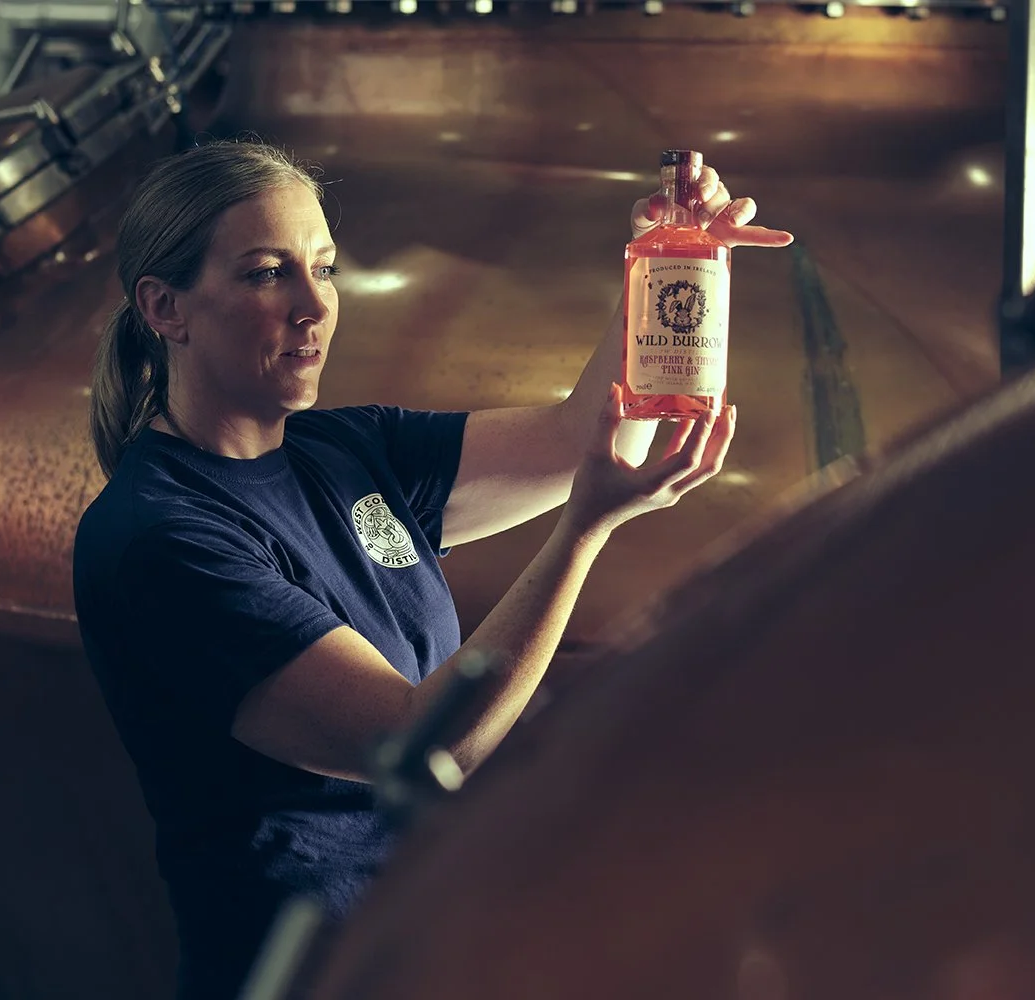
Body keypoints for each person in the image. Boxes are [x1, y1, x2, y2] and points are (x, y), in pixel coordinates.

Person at [71, 139, 793, 1000]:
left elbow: (577, 442)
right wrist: (585, 532)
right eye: (268, 274)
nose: (314, 307)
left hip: (435, 948)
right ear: (165, 307)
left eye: (326, 269)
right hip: (317, 973)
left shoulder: (344, 449)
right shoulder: (163, 538)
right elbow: (421, 745)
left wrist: (669, 264)